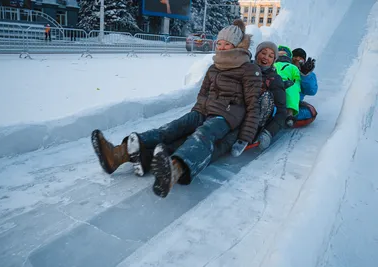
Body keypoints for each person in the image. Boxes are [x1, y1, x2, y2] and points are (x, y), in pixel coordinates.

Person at [91, 19, 262, 198]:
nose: (221, 47)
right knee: (172, 128)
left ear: (236, 45)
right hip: (203, 111)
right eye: (219, 43)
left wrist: (245, 138)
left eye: (227, 44)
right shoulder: (214, 67)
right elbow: (203, 94)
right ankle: (117, 154)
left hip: (226, 117)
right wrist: (195, 114)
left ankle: (173, 169)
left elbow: (253, 105)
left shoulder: (249, 69)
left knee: (202, 135)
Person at [274, 45, 302, 127]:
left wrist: (295, 85)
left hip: (287, 84)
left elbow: (296, 79)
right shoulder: (272, 64)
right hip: (274, 82)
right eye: (279, 53)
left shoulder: (293, 67)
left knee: (292, 90)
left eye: (284, 53)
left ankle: (289, 113)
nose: (282, 55)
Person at [291, 48, 318, 127]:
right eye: (295, 56)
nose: (297, 59)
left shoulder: (307, 74)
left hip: (294, 103)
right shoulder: (282, 68)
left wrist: (305, 76)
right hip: (278, 100)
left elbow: (311, 91)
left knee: (310, 112)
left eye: (300, 57)